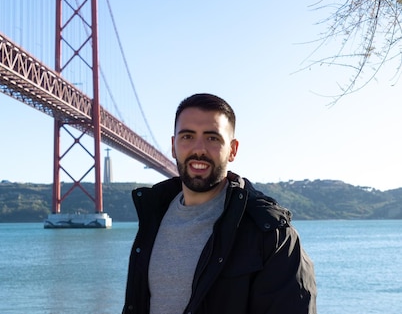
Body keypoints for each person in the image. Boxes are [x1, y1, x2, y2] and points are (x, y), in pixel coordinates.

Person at [123, 93, 317, 314]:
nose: (199, 149)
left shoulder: (272, 235)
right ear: (174, 146)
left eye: (212, 138)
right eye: (187, 136)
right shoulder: (153, 216)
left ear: (233, 150)